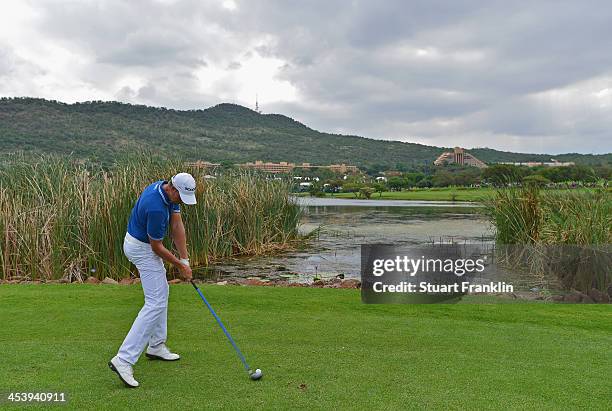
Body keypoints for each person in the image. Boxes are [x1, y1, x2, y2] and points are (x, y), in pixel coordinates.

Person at [108, 173, 197, 388]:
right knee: (155, 302)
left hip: (143, 245)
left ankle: (156, 346)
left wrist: (185, 259)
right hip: (141, 249)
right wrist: (180, 267)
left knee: (161, 294)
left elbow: (177, 226)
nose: (181, 202)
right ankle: (124, 359)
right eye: (181, 197)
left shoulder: (166, 191)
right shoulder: (156, 207)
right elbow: (156, 247)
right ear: (173, 189)